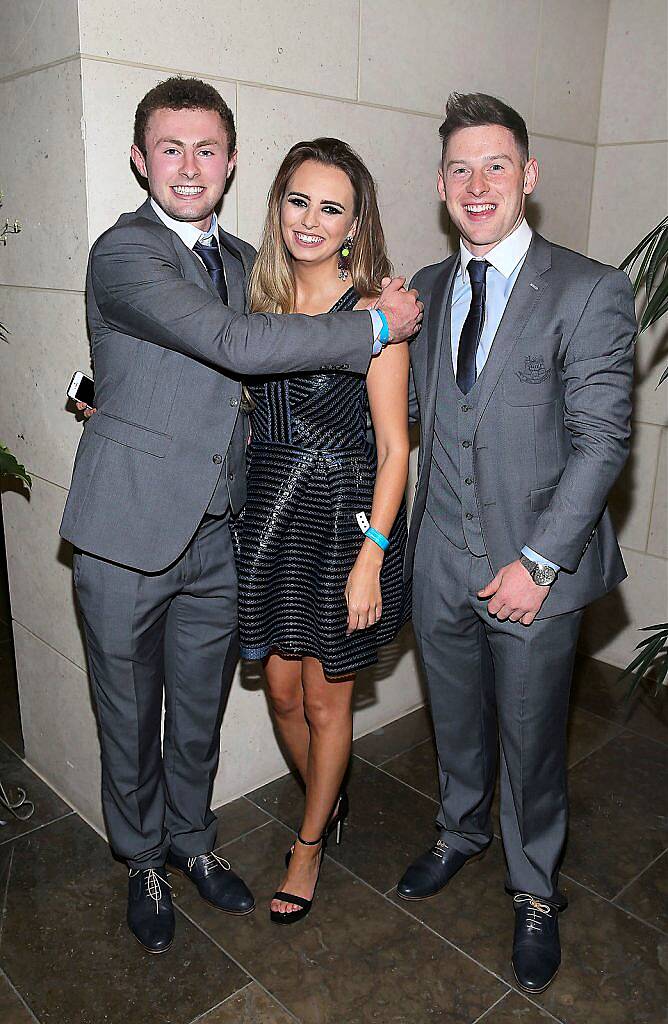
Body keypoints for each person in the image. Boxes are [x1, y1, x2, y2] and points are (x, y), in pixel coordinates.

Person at [59, 76, 421, 956]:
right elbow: (231, 346)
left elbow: (247, 388)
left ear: (229, 165)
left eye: (208, 149)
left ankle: (192, 841)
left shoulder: (246, 265)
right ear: (140, 159)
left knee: (199, 713)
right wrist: (375, 326)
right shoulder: (125, 251)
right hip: (127, 535)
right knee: (128, 710)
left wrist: (103, 398)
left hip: (232, 535)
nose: (190, 165)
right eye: (170, 148)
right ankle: (143, 859)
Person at [396, 93, 635, 994]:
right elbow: (406, 415)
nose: (477, 183)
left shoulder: (588, 288)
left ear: (528, 177)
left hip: (535, 570)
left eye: (497, 164)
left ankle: (534, 889)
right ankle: (459, 830)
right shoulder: (423, 289)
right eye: (460, 168)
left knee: (532, 741)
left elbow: (603, 440)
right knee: (454, 725)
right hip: (440, 564)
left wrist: (538, 563)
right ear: (441, 185)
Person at [235, 139, 411, 923]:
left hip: (343, 519)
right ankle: (326, 796)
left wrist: (371, 559)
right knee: (279, 691)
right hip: (270, 515)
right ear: (278, 206)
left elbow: (395, 447)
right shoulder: (257, 302)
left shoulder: (376, 312)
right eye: (298, 200)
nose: (311, 219)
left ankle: (308, 846)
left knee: (325, 700)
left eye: (330, 207)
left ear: (353, 224)